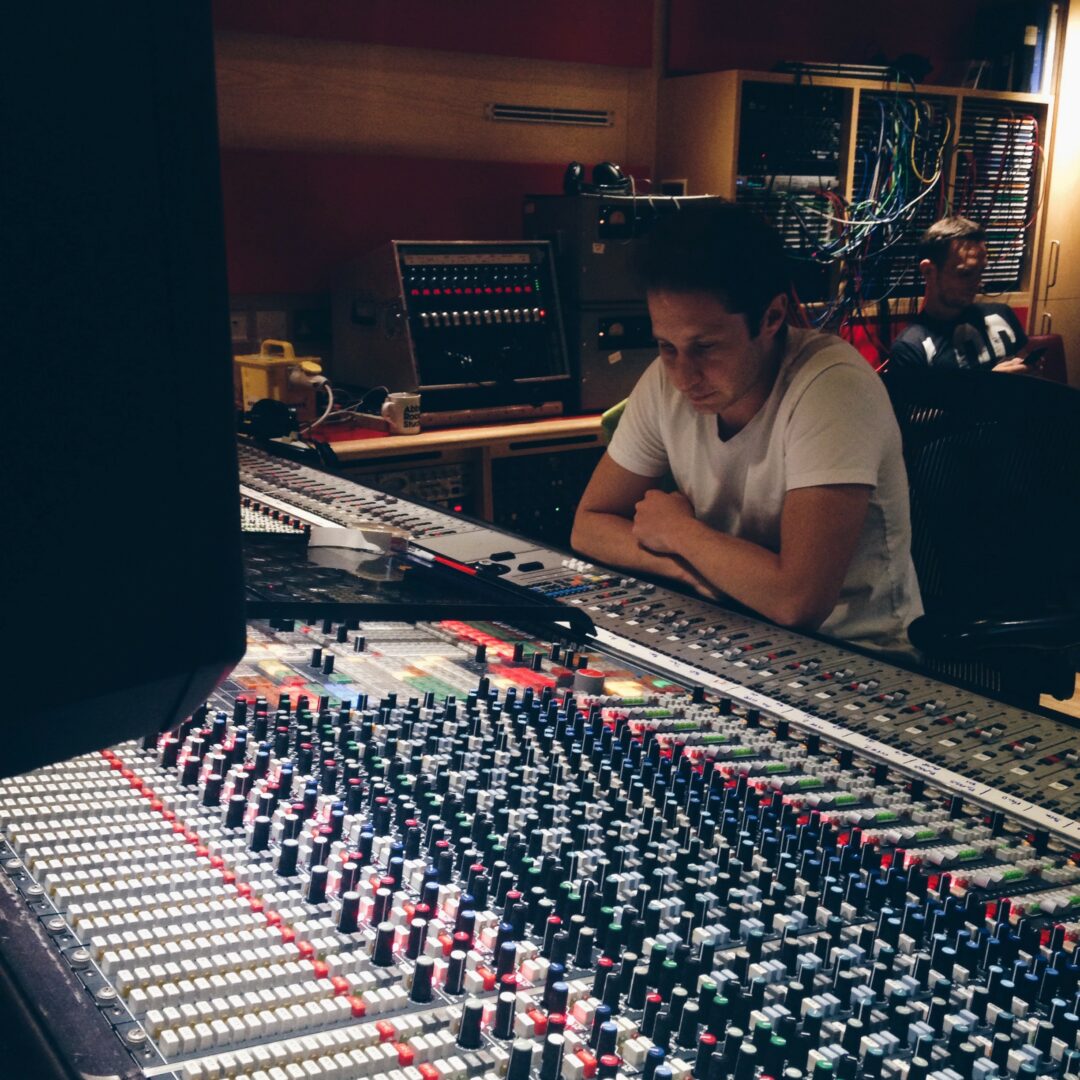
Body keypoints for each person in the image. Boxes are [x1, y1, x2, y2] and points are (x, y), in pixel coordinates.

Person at [571, 201, 922, 657]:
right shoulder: (665, 381)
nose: (682, 376)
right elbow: (589, 525)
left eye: (706, 347)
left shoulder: (834, 387)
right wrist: (686, 567)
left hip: (854, 652)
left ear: (772, 317)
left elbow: (797, 601)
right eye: (666, 346)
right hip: (729, 626)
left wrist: (680, 533)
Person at [888, 216, 1034, 373]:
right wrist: (991, 383)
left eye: (980, 272)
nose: (978, 283)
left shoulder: (1003, 314)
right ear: (929, 272)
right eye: (965, 274)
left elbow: (1025, 365)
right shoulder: (911, 347)